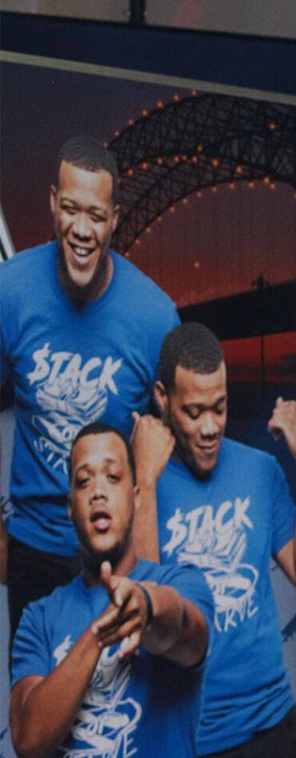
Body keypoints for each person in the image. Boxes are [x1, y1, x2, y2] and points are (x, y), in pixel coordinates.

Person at [130, 321, 296, 758]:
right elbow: (147, 612)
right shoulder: (142, 485)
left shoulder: (258, 470)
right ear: (162, 398)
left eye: (220, 407)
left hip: (277, 732)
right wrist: (144, 480)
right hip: (194, 749)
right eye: (194, 412)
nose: (210, 426)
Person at [0, 137, 179, 641]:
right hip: (33, 548)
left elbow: (174, 453)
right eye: (71, 210)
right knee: (36, 692)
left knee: (120, 692)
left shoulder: (154, 317)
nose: (81, 229)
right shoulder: (10, 291)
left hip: (116, 552)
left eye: (96, 216)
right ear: (52, 203)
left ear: (115, 219)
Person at [8, 422, 210, 758]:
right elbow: (30, 745)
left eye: (112, 477)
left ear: (135, 497)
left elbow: (186, 630)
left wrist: (146, 607)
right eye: (84, 481)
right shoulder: (40, 617)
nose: (98, 491)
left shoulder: (182, 583)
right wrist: (99, 634)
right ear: (70, 508)